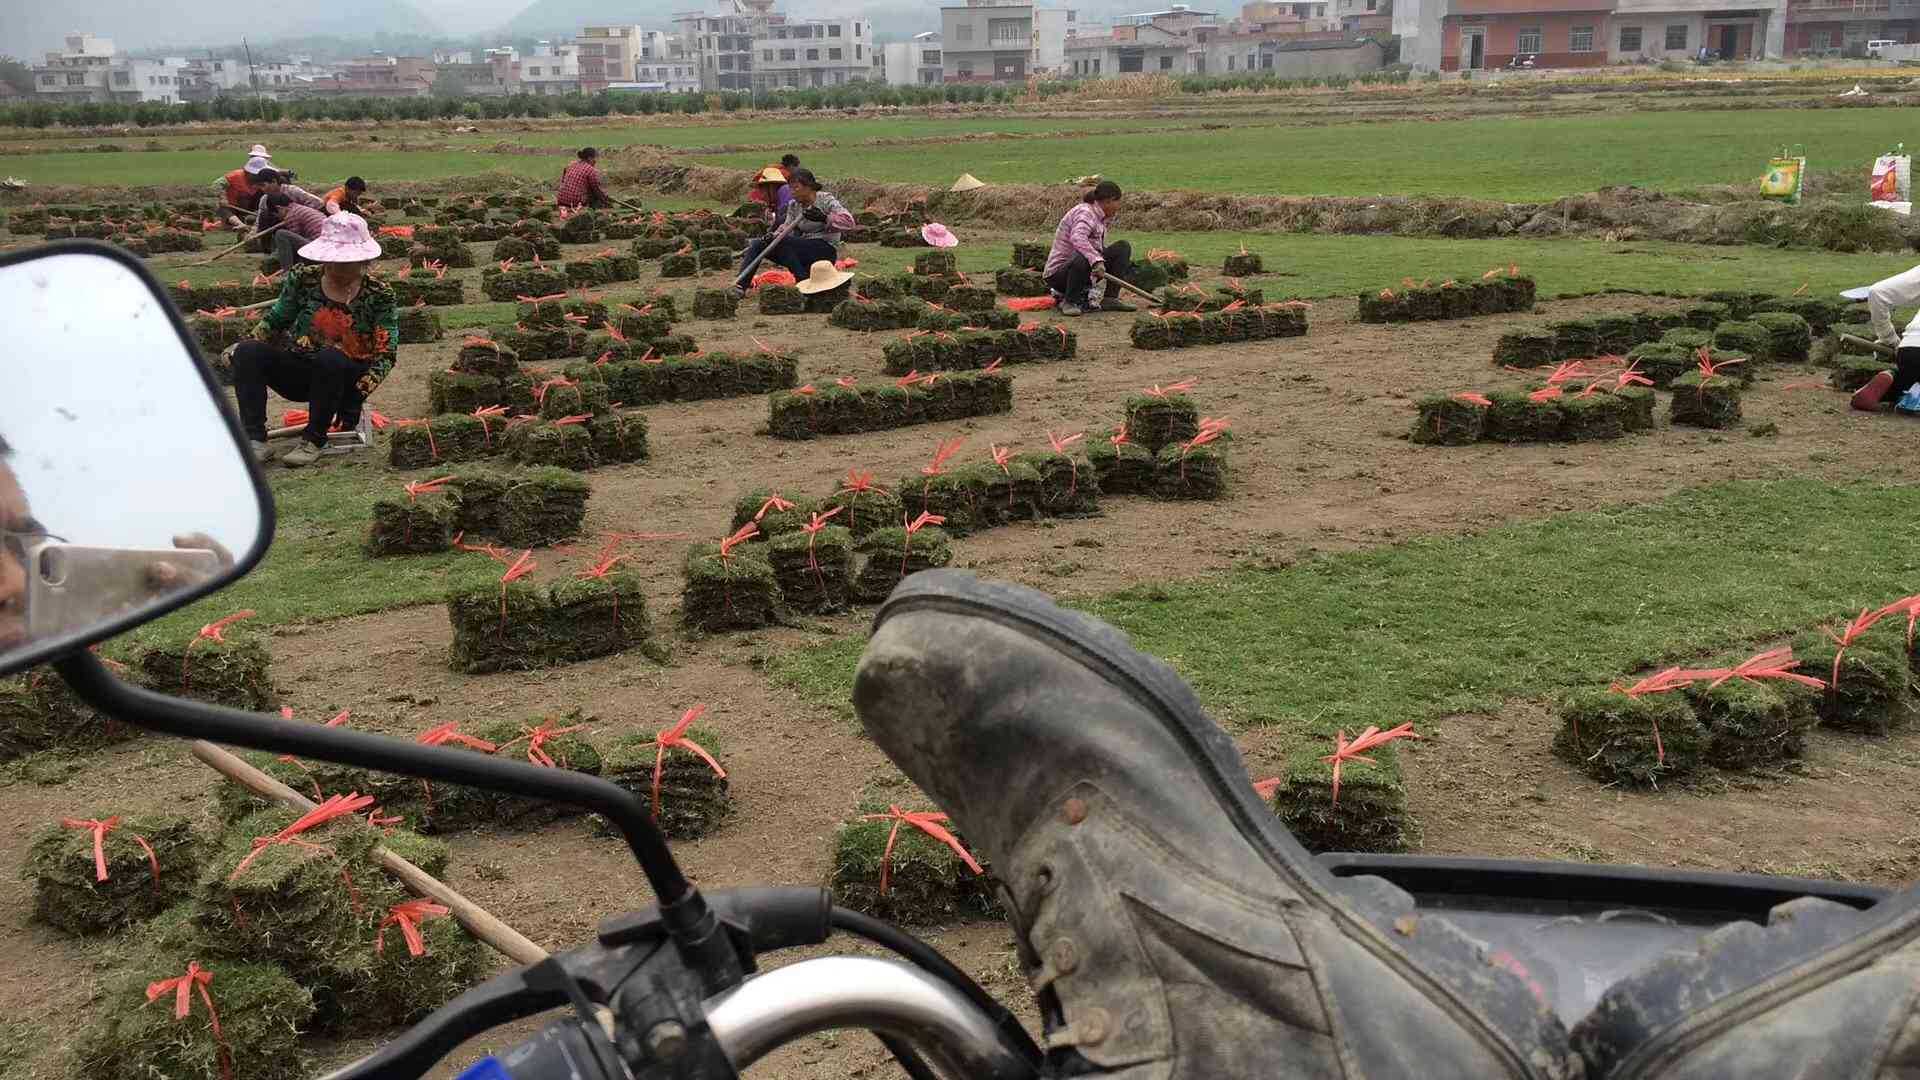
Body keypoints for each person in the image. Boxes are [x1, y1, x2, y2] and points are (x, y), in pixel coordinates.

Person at [232, 213, 398, 468]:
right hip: (302, 368)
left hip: (345, 378)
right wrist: (247, 343)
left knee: (330, 357)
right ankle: (255, 439)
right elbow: (277, 319)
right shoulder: (304, 278)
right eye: (330, 261)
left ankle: (314, 440)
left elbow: (386, 354)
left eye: (345, 262)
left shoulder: (380, 294)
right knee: (248, 352)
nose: (335, 268)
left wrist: (357, 395)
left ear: (364, 260)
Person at [733, 168, 853, 291]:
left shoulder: (826, 200)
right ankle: (740, 286)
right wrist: (772, 236)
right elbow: (786, 227)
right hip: (802, 249)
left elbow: (849, 222)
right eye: (790, 188)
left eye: (796, 188)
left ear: (808, 187)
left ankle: (802, 280)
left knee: (783, 242)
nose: (792, 192)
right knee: (759, 244)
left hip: (824, 249)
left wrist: (824, 218)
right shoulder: (794, 206)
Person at [1045, 179, 1137, 317]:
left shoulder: (1099, 216)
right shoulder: (1085, 213)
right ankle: (1069, 301)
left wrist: (1098, 260)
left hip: (1083, 271)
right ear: (1109, 201)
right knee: (1083, 255)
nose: (1118, 207)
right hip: (1060, 275)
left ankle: (1110, 299)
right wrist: (1096, 261)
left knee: (1122, 247)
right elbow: (1077, 238)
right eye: (1118, 202)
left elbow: (1095, 246)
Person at [1851, 264, 1920, 411]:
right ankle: (1901, 389)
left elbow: (1877, 292)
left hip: (1910, 348)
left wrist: (1889, 339)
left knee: (1910, 376)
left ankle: (1892, 379)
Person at [257, 193, 328, 271]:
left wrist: (273, 258)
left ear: (279, 208)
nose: (279, 217)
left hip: (320, 252)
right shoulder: (298, 208)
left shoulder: (291, 216)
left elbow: (292, 245)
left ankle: (287, 272)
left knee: (281, 234)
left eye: (276, 214)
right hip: (327, 250)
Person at [214, 155, 272, 231]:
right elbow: (217, 184)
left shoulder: (259, 181)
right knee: (222, 208)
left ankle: (250, 220)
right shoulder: (236, 175)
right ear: (249, 172)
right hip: (230, 205)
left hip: (245, 205)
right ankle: (240, 224)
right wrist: (222, 198)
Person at [252, 168, 326, 214]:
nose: (262, 189)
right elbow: (260, 220)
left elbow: (318, 203)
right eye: (260, 186)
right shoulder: (264, 200)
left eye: (263, 185)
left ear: (274, 181)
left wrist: (302, 214)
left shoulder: (292, 191)